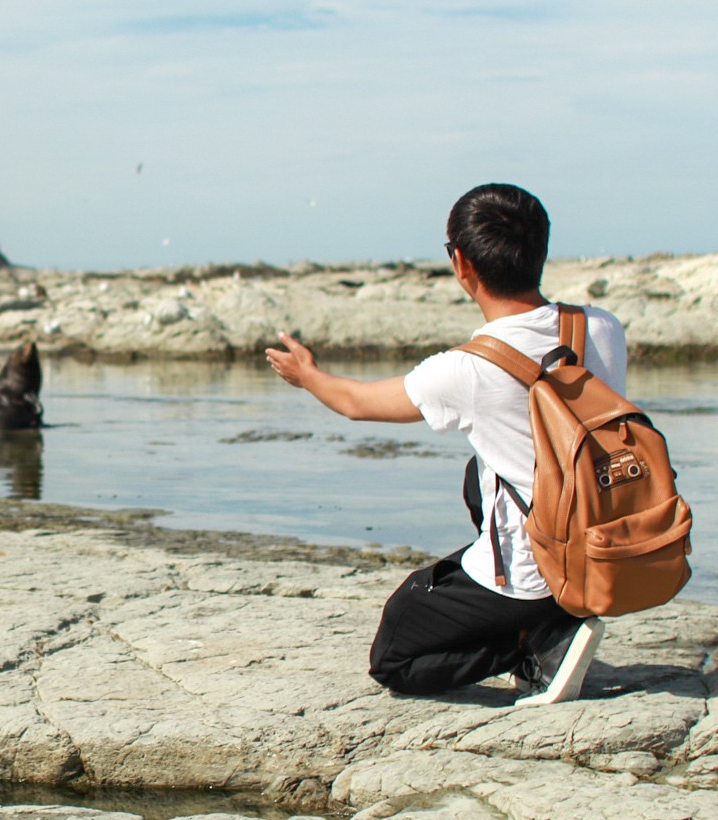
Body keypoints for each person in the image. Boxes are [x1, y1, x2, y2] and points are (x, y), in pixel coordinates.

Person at [265, 183, 625, 703]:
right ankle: (553, 619)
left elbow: (356, 402)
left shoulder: (467, 369)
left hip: (532, 577)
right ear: (541, 249)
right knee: (480, 474)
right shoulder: (602, 326)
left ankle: (536, 639)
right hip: (600, 548)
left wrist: (307, 373)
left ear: (462, 265)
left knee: (396, 656)